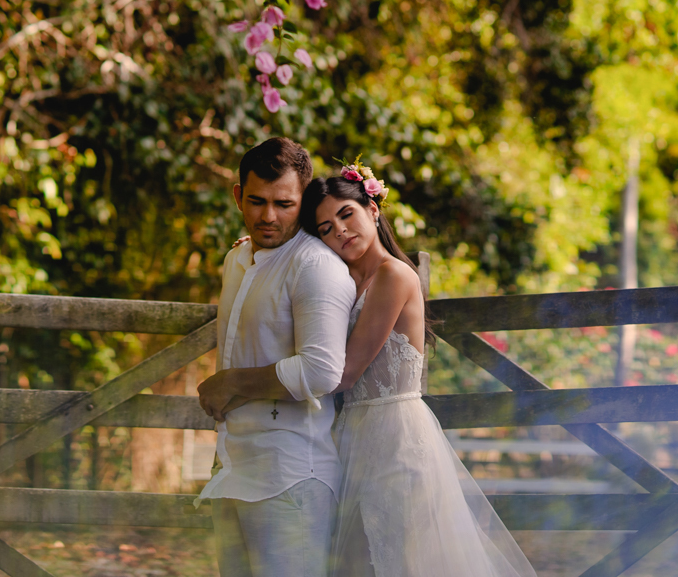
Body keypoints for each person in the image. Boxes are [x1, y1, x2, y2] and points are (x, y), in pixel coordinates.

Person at [300, 160, 539, 577]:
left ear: (372, 211)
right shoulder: (339, 277)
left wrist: (268, 384)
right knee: (353, 563)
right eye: (324, 228)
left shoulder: (392, 275)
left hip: (394, 434)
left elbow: (347, 372)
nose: (339, 231)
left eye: (346, 214)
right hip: (350, 433)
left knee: (393, 561)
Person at [195, 137, 357, 577]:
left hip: (291, 475)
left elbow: (322, 370)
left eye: (284, 204)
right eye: (257, 201)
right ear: (237, 196)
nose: (269, 216)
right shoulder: (237, 259)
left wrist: (232, 383)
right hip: (233, 466)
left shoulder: (315, 266)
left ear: (304, 201)